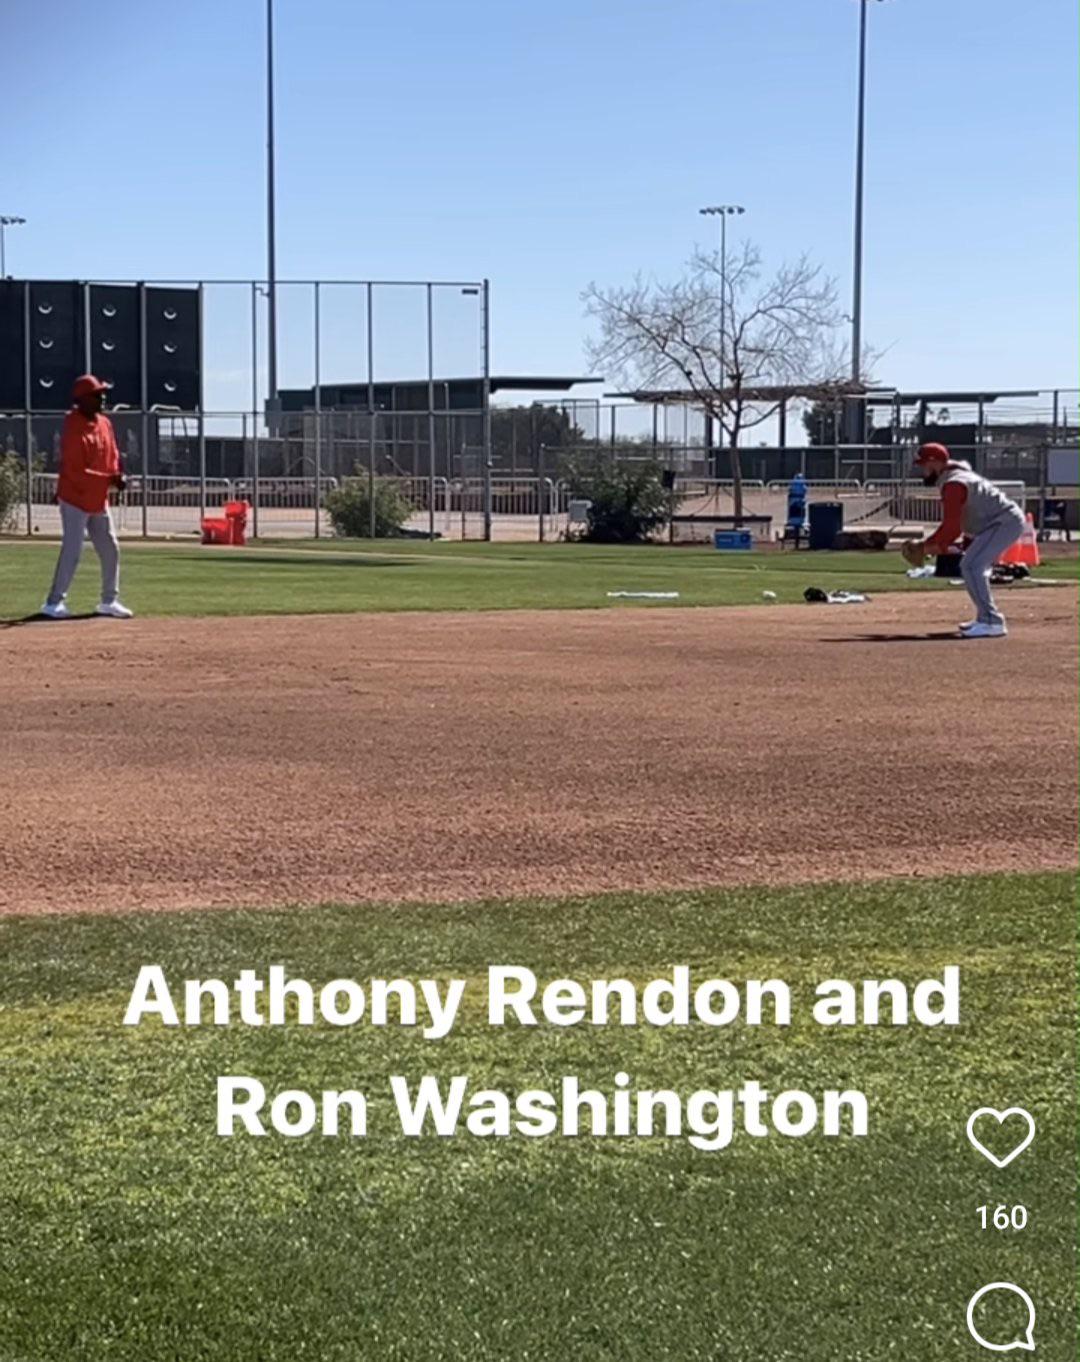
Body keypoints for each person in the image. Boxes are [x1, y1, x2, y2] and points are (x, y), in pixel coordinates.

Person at [41, 374, 134, 620]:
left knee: (110, 548)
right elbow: (75, 468)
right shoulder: (73, 424)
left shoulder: (105, 423)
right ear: (81, 400)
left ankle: (109, 600)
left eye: (102, 393)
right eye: (96, 395)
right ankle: (53, 602)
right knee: (73, 549)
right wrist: (109, 479)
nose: (102, 398)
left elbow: (112, 453)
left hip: (97, 497)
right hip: (74, 496)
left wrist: (117, 474)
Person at [909, 442, 1025, 638]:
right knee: (970, 565)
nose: (922, 470)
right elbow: (964, 521)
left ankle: (992, 621)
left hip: (1004, 522)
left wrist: (926, 545)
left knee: (972, 566)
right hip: (994, 524)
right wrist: (942, 545)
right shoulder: (952, 477)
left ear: (935, 463)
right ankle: (984, 618)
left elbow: (951, 527)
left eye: (924, 465)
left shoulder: (954, 483)